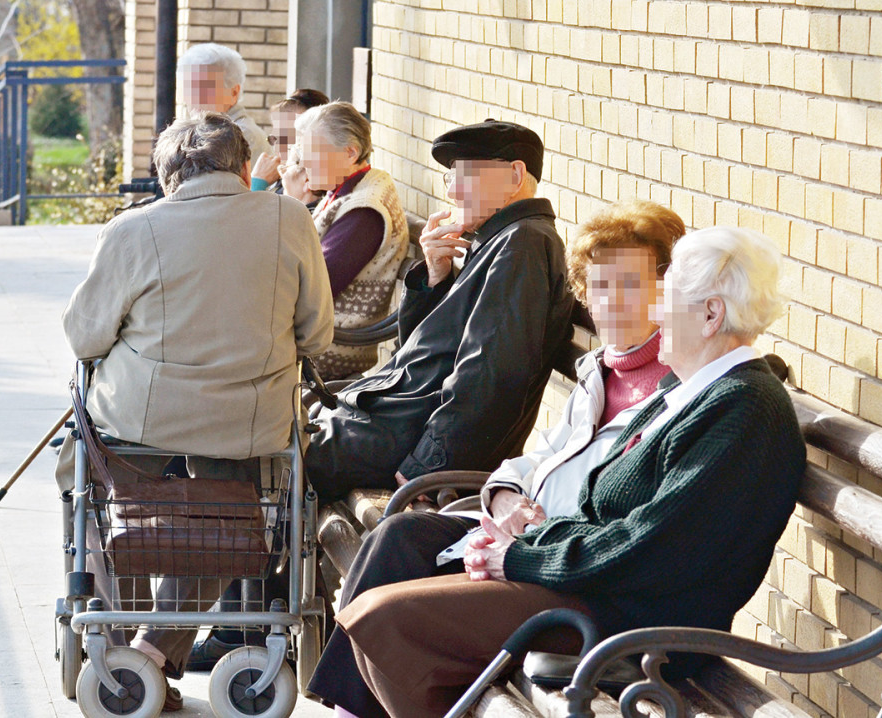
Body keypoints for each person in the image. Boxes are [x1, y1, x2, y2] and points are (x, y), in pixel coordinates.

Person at [323, 226, 807, 717]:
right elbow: (606, 515)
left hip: (633, 623)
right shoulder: (693, 393)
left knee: (387, 621)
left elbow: (650, 547)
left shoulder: (741, 409)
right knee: (377, 610)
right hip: (594, 594)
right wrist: (522, 543)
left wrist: (518, 558)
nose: (656, 315)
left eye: (667, 299)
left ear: (710, 315)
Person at [306, 198, 686, 715]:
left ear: (665, 292)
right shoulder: (602, 369)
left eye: (629, 286)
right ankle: (350, 706)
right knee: (398, 534)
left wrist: (532, 529)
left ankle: (356, 708)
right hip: (522, 529)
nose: (611, 302)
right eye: (598, 286)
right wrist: (507, 495)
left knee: (396, 610)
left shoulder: (674, 387)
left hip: (561, 563)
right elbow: (541, 457)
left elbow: (618, 500)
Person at [55, 112, 333, 711]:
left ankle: (118, 639)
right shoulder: (291, 218)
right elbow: (316, 334)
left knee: (91, 488)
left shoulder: (134, 229)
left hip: (140, 417)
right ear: (240, 168)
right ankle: (157, 649)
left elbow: (85, 337)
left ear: (166, 177)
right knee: (234, 507)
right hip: (253, 420)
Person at [304, 118, 575, 502]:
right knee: (273, 440)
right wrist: (435, 275)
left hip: (403, 435)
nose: (453, 192)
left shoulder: (523, 244)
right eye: (451, 178)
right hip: (388, 419)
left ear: (515, 176)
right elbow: (418, 347)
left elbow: (489, 375)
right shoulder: (499, 237)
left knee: (271, 455)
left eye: (465, 176)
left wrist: (426, 466)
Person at [294, 101, 411, 379]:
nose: (304, 162)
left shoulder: (364, 210)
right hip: (313, 329)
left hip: (327, 343)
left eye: (312, 152)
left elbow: (316, 285)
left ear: (350, 153)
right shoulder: (350, 188)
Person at [177, 43, 272, 158]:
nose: (196, 97)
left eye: (206, 88)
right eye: (191, 87)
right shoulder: (203, 131)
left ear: (234, 92)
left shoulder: (241, 136)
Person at [251, 88, 330, 194]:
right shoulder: (277, 180)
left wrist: (257, 186)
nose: (278, 147)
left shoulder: (315, 188)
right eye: (275, 139)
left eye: (287, 138)